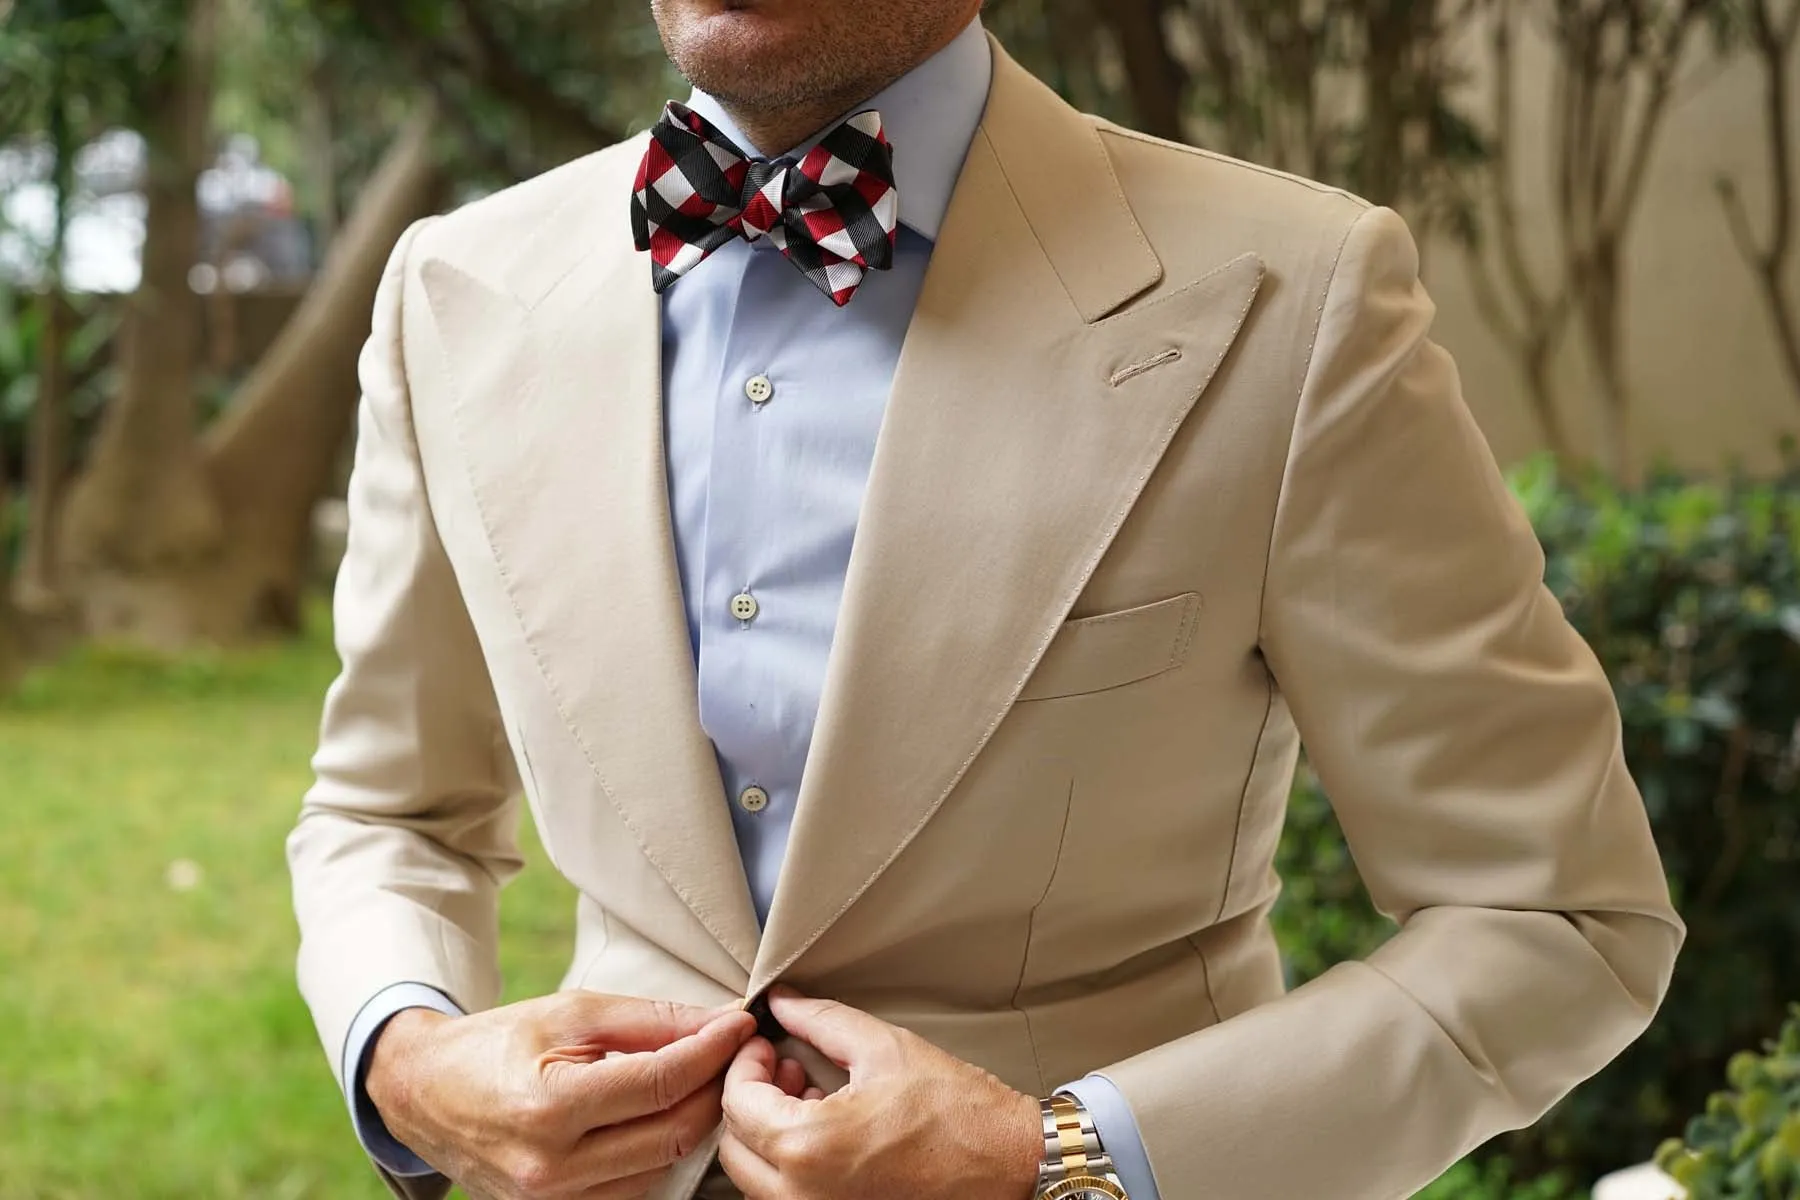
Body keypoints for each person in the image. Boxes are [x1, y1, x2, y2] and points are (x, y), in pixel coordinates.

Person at [287, 1, 1685, 1198]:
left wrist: (1061, 1155)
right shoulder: (455, 289)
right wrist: (408, 1055)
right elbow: (385, 813)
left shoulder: (1298, 297)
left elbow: (1559, 918)